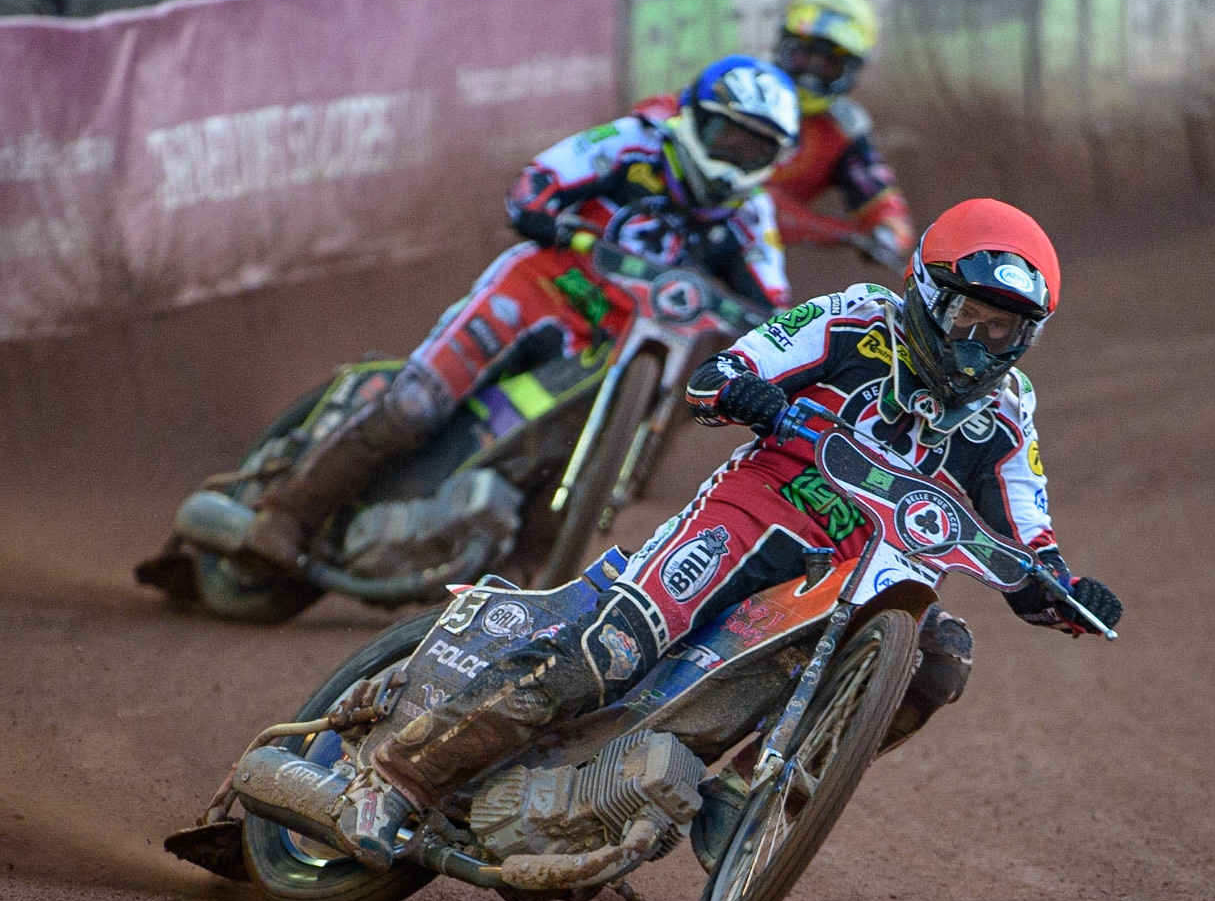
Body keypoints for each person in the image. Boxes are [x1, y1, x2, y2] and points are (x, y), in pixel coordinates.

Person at [362, 197, 1123, 862]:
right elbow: (720, 375)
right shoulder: (853, 320)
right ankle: (399, 775)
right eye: (967, 319)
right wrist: (749, 396)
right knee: (613, 648)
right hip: (755, 512)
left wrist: (1064, 587)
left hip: (860, 574)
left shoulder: (1008, 409)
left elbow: (1027, 531)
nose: (977, 347)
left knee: (940, 659)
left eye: (1003, 333)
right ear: (927, 291)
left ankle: (750, 798)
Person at [240, 55, 802, 571]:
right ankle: (287, 513)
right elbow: (541, 179)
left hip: (617, 342)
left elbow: (772, 305)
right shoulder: (635, 143)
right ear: (693, 118)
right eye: (727, 135)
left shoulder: (751, 215)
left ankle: (519, 568)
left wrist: (770, 336)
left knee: (564, 449)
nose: (736, 156)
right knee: (419, 402)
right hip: (544, 287)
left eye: (755, 149)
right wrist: (542, 212)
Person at [636, 0, 914, 261]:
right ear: (783, 44)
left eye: (830, 63)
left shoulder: (845, 127)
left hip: (740, 248)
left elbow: (878, 196)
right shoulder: (741, 80)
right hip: (655, 208)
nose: (811, 73)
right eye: (805, 54)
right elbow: (655, 112)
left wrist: (889, 231)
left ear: (851, 70)